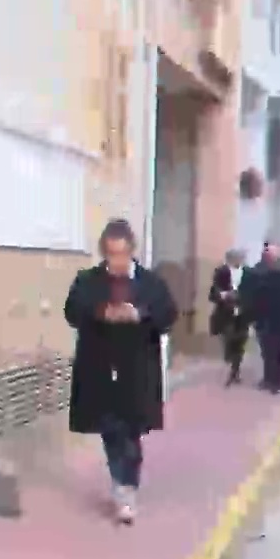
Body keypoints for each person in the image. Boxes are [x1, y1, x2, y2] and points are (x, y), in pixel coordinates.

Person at [64, 218, 178, 525]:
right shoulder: (88, 280)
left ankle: (128, 484)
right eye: (111, 254)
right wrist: (102, 312)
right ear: (104, 252)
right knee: (110, 429)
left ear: (131, 251)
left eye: (122, 254)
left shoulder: (151, 283)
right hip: (100, 368)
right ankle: (120, 484)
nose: (116, 261)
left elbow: (168, 314)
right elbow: (72, 311)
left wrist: (139, 314)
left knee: (132, 431)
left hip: (137, 370)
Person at [247, 241, 280, 393]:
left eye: (271, 254)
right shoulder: (258, 271)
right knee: (266, 348)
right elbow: (251, 293)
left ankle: (275, 381)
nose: (269, 257)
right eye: (267, 254)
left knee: (278, 348)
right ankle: (267, 378)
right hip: (262, 315)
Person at [208, 248, 253, 385]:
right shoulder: (221, 272)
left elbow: (253, 292)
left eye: (240, 258)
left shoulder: (248, 273)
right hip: (226, 313)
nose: (239, 261)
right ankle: (230, 358)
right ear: (229, 260)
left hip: (242, 313)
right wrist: (222, 295)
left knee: (241, 341)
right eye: (236, 258)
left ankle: (235, 370)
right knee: (229, 338)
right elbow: (212, 294)